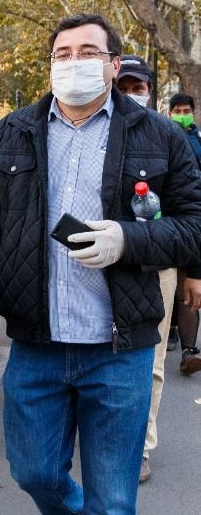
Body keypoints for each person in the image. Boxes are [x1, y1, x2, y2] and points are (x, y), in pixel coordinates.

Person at [0, 13, 201, 514]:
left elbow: (194, 226)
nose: (74, 63)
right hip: (36, 346)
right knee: (34, 472)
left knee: (112, 501)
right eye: (63, 54)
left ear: (113, 66)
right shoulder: (12, 133)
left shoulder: (160, 135)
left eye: (88, 52)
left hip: (119, 350)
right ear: (50, 67)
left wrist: (128, 240)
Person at [114, 58, 193, 482]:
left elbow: (192, 210)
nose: (131, 93)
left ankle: (140, 448)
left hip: (155, 267)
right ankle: (100, 435)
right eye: (122, 85)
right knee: (97, 358)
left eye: (137, 86)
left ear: (150, 89)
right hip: (100, 266)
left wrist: (193, 272)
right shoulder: (90, 132)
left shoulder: (167, 137)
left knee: (153, 362)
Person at [167, 93, 201, 377]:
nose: (181, 114)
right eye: (176, 110)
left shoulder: (198, 141)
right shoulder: (160, 137)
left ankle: (189, 351)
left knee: (186, 288)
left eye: (185, 110)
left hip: (189, 224)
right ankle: (170, 333)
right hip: (161, 225)